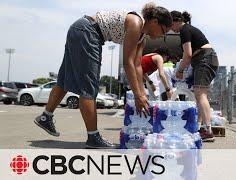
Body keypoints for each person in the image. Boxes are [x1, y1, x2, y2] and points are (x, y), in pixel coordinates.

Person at [34, 2, 173, 149]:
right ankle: (93, 137)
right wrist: (137, 95)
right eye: (163, 31)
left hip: (80, 29)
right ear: (155, 21)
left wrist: (142, 92)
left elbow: (137, 65)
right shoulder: (136, 23)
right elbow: (127, 63)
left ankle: (45, 117)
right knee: (89, 88)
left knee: (65, 80)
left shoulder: (142, 38)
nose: (162, 36)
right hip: (88, 32)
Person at [170, 11, 219, 142]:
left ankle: (208, 131)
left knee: (200, 94)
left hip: (204, 58)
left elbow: (188, 54)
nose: (170, 28)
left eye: (170, 24)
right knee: (199, 94)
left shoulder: (184, 30)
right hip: (205, 59)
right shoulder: (187, 29)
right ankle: (203, 128)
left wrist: (180, 70)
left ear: (176, 21)